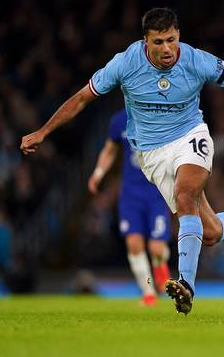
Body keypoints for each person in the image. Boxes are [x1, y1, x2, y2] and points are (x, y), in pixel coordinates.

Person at [20, 8, 224, 315]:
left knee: (186, 197)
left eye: (171, 40)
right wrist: (43, 131)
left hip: (190, 136)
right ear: (146, 41)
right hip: (151, 154)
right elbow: (81, 98)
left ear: (179, 36)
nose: (167, 49)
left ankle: (186, 284)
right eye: (159, 42)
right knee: (208, 232)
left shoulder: (196, 60)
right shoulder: (125, 63)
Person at [87, 109, 171, 306]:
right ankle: (148, 291)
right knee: (134, 243)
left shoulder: (161, 115)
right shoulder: (119, 120)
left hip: (156, 192)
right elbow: (109, 150)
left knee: (157, 248)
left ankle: (160, 266)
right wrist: (98, 173)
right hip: (131, 195)